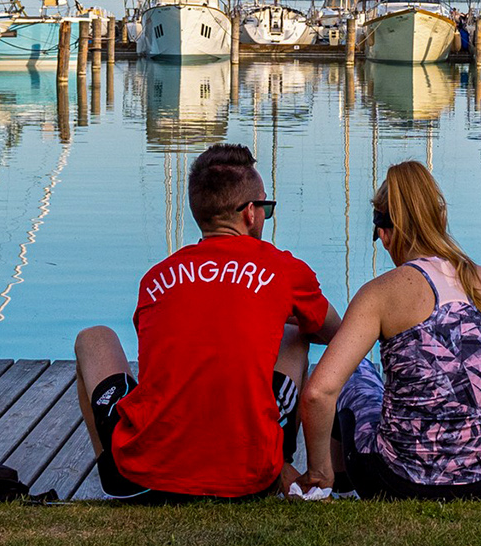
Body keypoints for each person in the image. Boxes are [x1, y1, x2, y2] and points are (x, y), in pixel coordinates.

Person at [74, 143, 340, 503]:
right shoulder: (280, 269)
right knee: (295, 333)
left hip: (142, 474)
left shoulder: (156, 279)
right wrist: (280, 310)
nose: (265, 216)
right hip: (247, 478)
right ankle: (280, 459)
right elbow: (335, 334)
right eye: (266, 208)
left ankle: (111, 468)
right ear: (250, 213)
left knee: (94, 338)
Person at [300, 161, 481, 500]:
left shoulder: (380, 293)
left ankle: (334, 477)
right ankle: (478, 456)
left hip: (396, 482)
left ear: (384, 231)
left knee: (356, 373)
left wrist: (317, 467)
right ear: (441, 218)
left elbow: (318, 393)